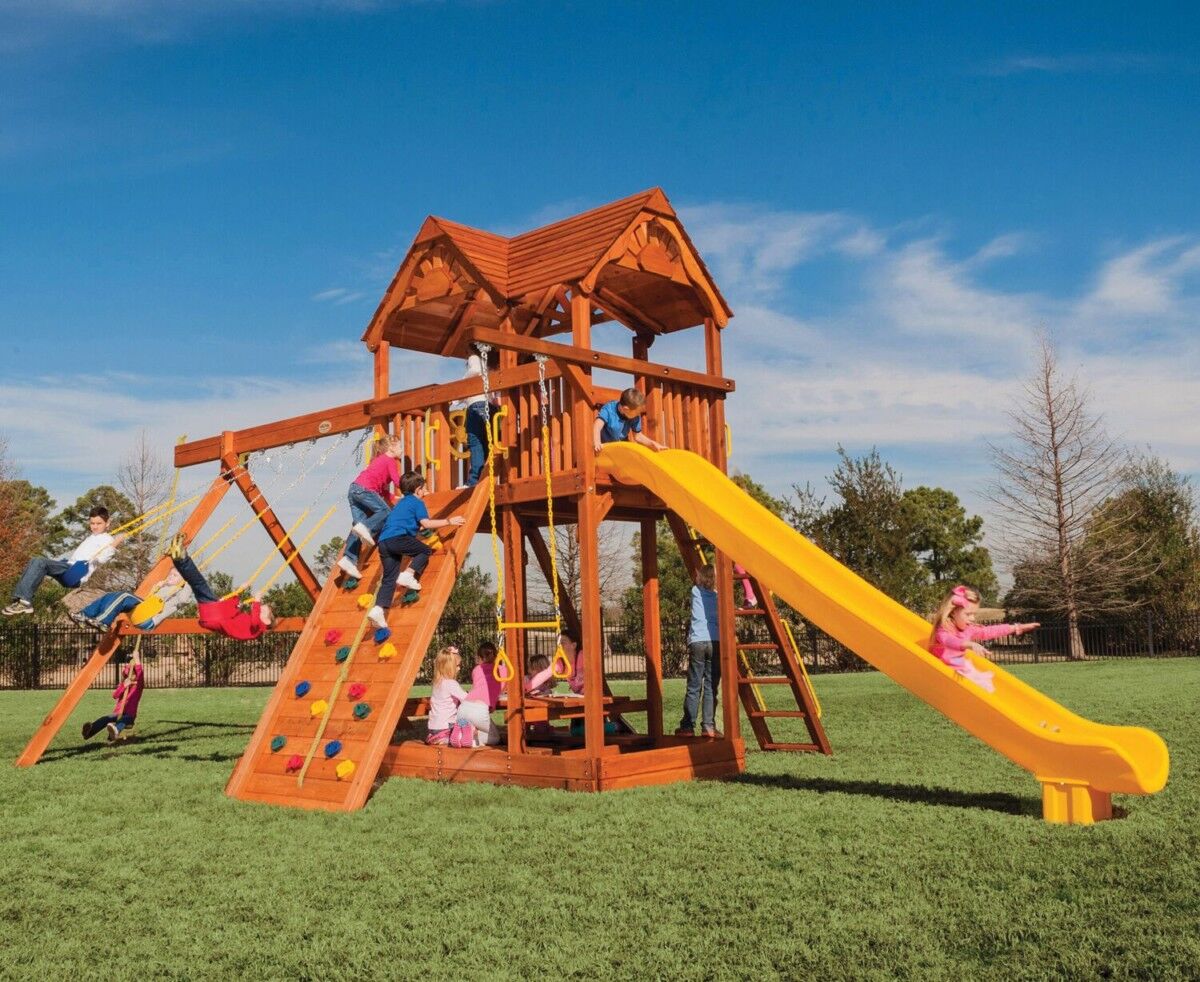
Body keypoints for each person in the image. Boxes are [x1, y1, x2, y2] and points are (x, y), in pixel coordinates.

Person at [367, 471, 466, 630]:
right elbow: (426, 524)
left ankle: (378, 609)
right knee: (424, 551)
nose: (425, 492)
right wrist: (449, 521)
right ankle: (408, 574)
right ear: (418, 489)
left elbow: (411, 523)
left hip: (384, 542)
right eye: (424, 489)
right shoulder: (417, 503)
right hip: (398, 538)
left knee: (389, 578)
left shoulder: (401, 503)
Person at [4, 506, 128, 616]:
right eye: (92, 523)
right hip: (68, 568)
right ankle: (19, 600)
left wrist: (115, 542)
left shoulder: (107, 539)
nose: (94, 526)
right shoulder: (93, 536)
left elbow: (103, 559)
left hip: (75, 572)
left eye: (99, 523)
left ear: (108, 523)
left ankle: (25, 601)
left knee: (40, 561)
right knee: (35, 561)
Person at [928, 585, 1039, 693]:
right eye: (968, 614)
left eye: (974, 614)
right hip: (940, 670)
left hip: (959, 667)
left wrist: (1016, 627)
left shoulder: (968, 628)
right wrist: (970, 644)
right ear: (953, 612)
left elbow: (989, 631)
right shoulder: (943, 629)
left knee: (982, 685)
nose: (972, 618)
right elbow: (949, 641)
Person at [166, 534, 275, 640]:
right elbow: (234, 613)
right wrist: (239, 591)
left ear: (267, 621)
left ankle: (181, 557)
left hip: (216, 615)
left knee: (199, 582)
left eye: (261, 611)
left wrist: (257, 600)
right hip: (213, 616)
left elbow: (255, 620)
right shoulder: (249, 628)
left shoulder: (258, 628)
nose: (257, 610)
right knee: (195, 583)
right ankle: (177, 558)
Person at [337, 434, 405, 580]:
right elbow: (398, 481)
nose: (402, 449)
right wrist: (411, 491)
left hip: (354, 490)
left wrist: (395, 498)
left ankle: (348, 559)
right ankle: (367, 528)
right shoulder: (389, 460)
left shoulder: (378, 461)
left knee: (358, 526)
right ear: (391, 448)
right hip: (364, 490)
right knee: (385, 512)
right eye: (400, 446)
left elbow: (382, 491)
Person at [676, 564, 722, 738]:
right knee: (711, 685)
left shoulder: (695, 591)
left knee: (694, 685)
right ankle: (708, 726)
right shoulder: (717, 596)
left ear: (700, 577)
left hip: (697, 641)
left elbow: (697, 579)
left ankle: (688, 726)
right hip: (714, 640)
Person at [75, 571, 185, 632]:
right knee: (110, 595)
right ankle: (84, 614)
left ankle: (103, 621)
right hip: (141, 608)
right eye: (169, 574)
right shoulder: (163, 586)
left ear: (181, 581)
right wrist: (158, 586)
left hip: (145, 612)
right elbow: (150, 596)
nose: (170, 576)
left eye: (175, 575)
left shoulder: (176, 590)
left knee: (124, 595)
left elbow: (183, 598)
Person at [82, 648, 144, 742]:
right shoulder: (124, 684)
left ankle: (115, 731)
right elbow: (115, 695)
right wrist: (124, 686)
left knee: (123, 720)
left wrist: (137, 659)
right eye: (127, 675)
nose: (130, 677)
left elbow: (140, 674)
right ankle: (89, 731)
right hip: (118, 713)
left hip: (129, 716)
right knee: (105, 719)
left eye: (132, 674)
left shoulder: (138, 686)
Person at [462, 346, 500, 487]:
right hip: (487, 406)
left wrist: (460, 384)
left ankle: (474, 481)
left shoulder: (474, 358)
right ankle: (486, 478)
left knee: (476, 444)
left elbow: (475, 371)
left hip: (476, 405)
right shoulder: (490, 365)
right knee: (487, 444)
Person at [592, 387, 667, 454]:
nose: (638, 414)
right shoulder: (609, 409)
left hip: (621, 447)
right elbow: (597, 426)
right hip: (605, 446)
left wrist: (652, 443)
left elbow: (638, 436)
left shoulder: (634, 416)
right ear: (626, 409)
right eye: (637, 412)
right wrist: (597, 442)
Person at [457, 642, 502, 746]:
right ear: (496, 656)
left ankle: (461, 735)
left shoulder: (476, 669)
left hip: (463, 708)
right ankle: (472, 738)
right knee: (495, 738)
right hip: (480, 709)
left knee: (480, 725)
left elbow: (477, 686)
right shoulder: (502, 670)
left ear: (479, 658)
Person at [426, 646, 470, 745]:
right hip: (446, 726)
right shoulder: (451, 683)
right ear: (450, 668)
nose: (459, 668)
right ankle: (452, 738)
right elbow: (467, 699)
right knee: (465, 722)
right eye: (457, 666)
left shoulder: (437, 683)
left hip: (433, 728)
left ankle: (437, 737)